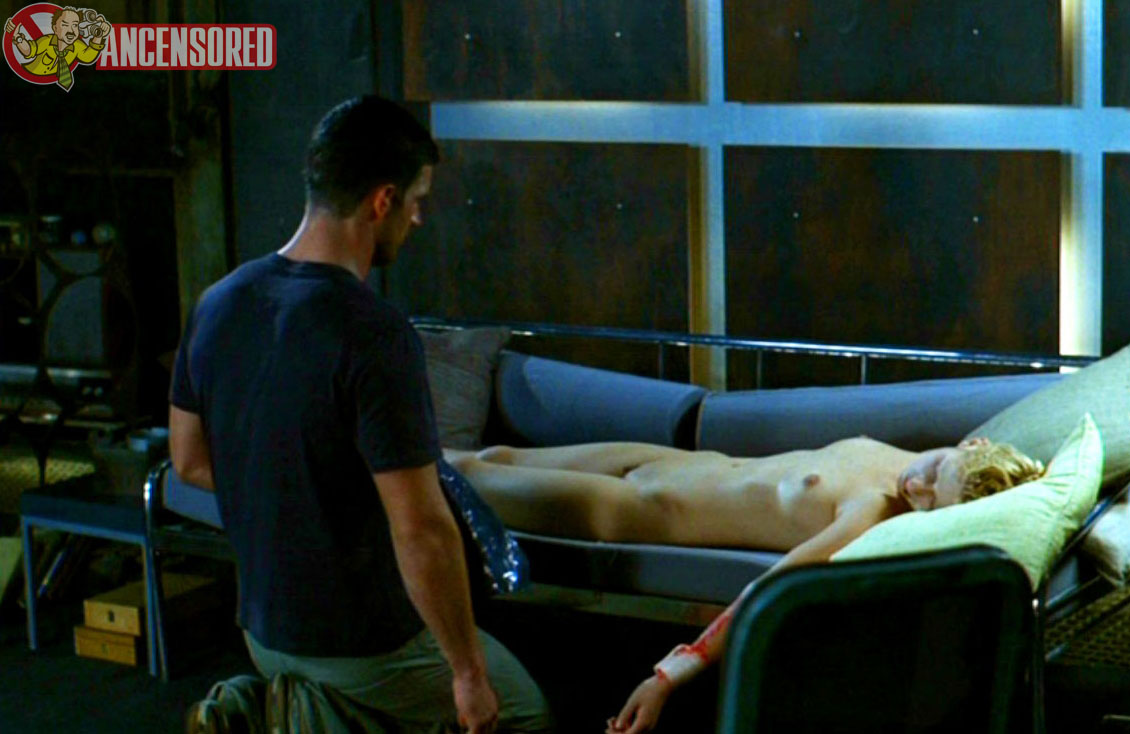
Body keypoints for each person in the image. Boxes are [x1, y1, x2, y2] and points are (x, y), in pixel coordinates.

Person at [169, 96, 552, 734]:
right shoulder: (373, 332)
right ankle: (289, 712)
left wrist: (302, 500)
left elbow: (188, 460)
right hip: (361, 649)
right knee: (522, 713)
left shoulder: (218, 302)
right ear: (382, 200)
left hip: (262, 632)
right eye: (417, 201)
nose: (418, 218)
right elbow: (421, 530)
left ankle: (272, 704)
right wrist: (467, 674)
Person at [443, 436, 1044, 733]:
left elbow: (769, 593)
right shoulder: (892, 455)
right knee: (496, 454)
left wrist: (667, 676)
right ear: (967, 445)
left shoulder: (872, 510)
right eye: (934, 471)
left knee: (456, 475)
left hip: (630, 508)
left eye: (930, 501)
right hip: (673, 461)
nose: (917, 487)